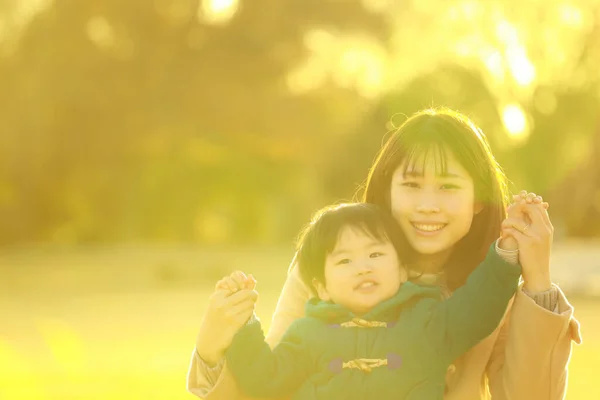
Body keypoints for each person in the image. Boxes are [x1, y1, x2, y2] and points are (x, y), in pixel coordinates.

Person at [187, 107, 581, 400]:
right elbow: (269, 385)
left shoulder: (492, 285)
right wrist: (212, 347)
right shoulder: (332, 266)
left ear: (478, 199)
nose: (428, 205)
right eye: (411, 184)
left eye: (447, 187)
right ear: (387, 190)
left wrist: (538, 282)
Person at [222, 202, 523, 399]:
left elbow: (476, 309)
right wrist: (243, 322)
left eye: (375, 254)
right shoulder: (306, 335)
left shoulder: (427, 322)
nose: (363, 267)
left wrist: (506, 253)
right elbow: (265, 379)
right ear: (321, 288)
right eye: (344, 261)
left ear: (403, 270)